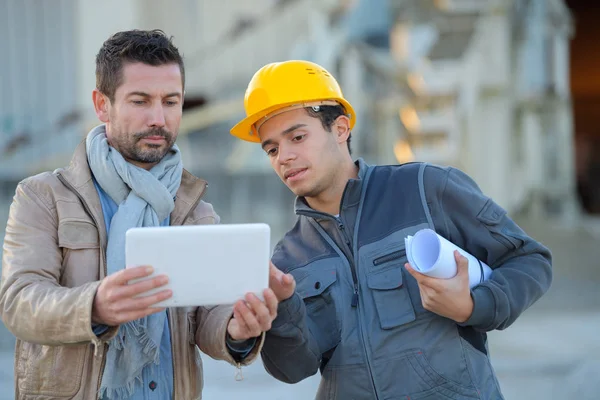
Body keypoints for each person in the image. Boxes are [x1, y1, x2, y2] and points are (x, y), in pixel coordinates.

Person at [230, 60, 553, 399]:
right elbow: (294, 369)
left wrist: (473, 305)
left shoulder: (424, 189)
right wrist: (281, 311)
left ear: (340, 129)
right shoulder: (287, 257)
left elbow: (530, 260)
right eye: (272, 149)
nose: (285, 156)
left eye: (297, 137)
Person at [0, 30, 280, 400]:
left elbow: (204, 315)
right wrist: (95, 306)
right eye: (140, 101)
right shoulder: (43, 196)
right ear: (102, 105)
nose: (158, 119)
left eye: (170, 101)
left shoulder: (195, 208)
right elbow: (19, 302)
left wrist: (238, 329)